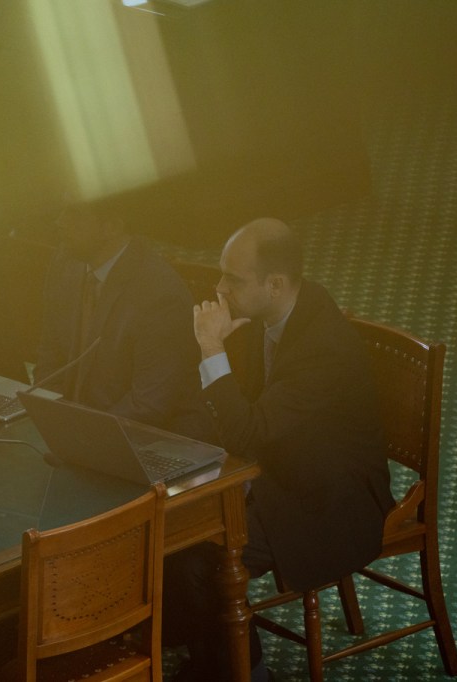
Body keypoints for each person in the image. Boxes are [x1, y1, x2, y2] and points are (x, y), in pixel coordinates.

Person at [163, 218, 395, 681]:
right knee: (172, 531)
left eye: (232, 277)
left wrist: (210, 345)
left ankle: (250, 673)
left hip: (327, 501)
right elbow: (244, 423)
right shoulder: (270, 314)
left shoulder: (322, 347)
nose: (219, 288)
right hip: (277, 470)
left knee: (204, 552)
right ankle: (214, 662)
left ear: (275, 284)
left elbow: (249, 431)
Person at [34, 196, 211, 440]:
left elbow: (147, 405)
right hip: (78, 431)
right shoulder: (66, 262)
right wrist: (56, 418)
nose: (59, 221)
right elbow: (49, 358)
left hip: (147, 441)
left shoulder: (160, 294)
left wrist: (84, 436)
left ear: (112, 227)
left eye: (74, 214)